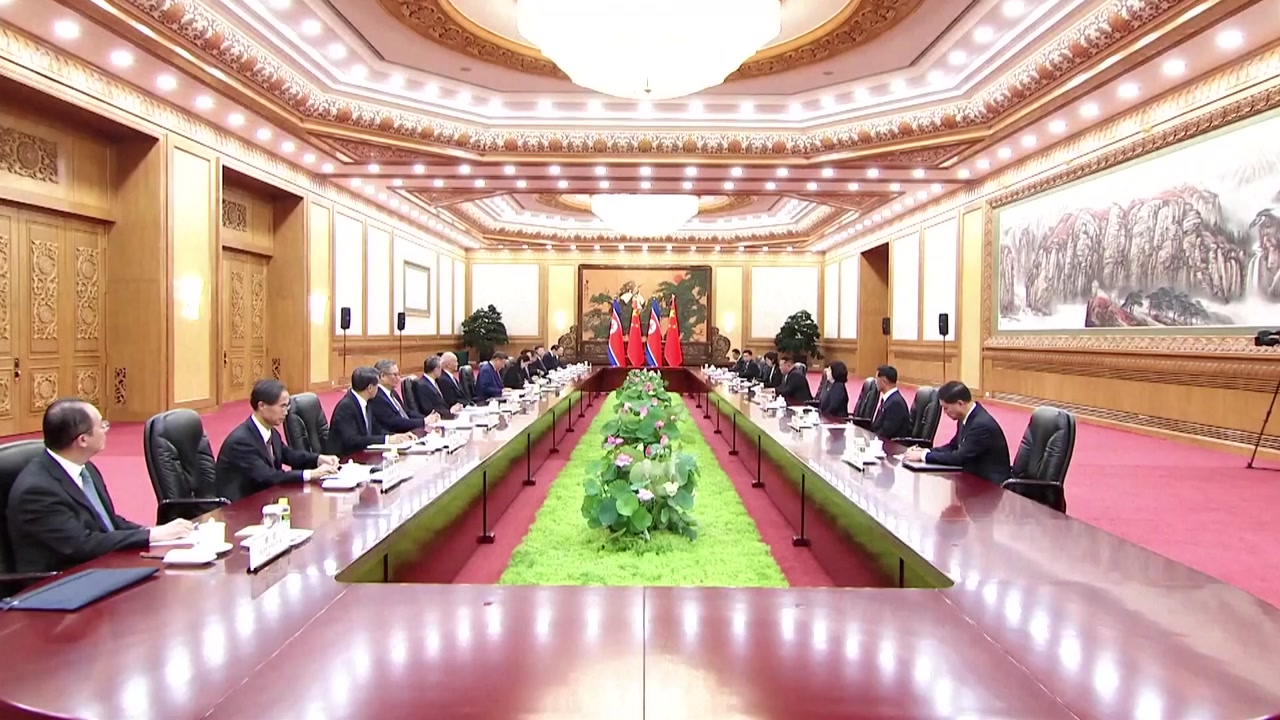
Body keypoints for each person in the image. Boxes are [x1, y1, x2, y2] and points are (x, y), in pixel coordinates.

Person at [7, 398, 194, 573]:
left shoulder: (85, 467)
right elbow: (82, 545)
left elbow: (108, 521)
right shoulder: (37, 491)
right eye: (102, 425)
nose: (106, 429)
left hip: (98, 565)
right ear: (83, 440)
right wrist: (151, 536)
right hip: (62, 579)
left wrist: (149, 532)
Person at [215, 379, 340, 501]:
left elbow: (289, 455)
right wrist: (311, 474)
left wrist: (319, 459)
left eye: (287, 406)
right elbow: (268, 476)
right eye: (282, 406)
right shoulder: (241, 442)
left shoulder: (270, 431)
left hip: (265, 498)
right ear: (262, 406)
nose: (286, 412)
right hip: (239, 507)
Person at [904, 381, 1011, 485]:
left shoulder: (981, 425)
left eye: (946, 408)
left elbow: (959, 457)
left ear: (960, 403)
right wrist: (926, 451)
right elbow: (953, 446)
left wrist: (924, 456)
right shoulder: (966, 417)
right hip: (972, 476)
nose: (944, 412)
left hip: (990, 485)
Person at [327, 367, 419, 456]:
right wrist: (387, 439)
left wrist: (398, 436)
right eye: (377, 385)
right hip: (343, 458)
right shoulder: (346, 407)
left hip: (362, 452)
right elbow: (352, 440)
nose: (378, 389)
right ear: (370, 388)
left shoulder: (367, 401)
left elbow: (376, 429)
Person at [370, 359, 438, 433]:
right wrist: (423, 421)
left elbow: (407, 412)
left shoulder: (393, 392)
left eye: (398, 374)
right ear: (382, 376)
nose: (398, 378)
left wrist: (427, 418)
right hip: (397, 434)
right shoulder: (377, 396)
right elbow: (394, 422)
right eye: (395, 375)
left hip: (408, 430)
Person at [870, 365, 912, 439]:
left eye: (876, 379)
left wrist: (871, 440)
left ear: (884, 381)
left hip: (891, 444)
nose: (875, 382)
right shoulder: (889, 399)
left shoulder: (896, 404)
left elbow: (886, 432)